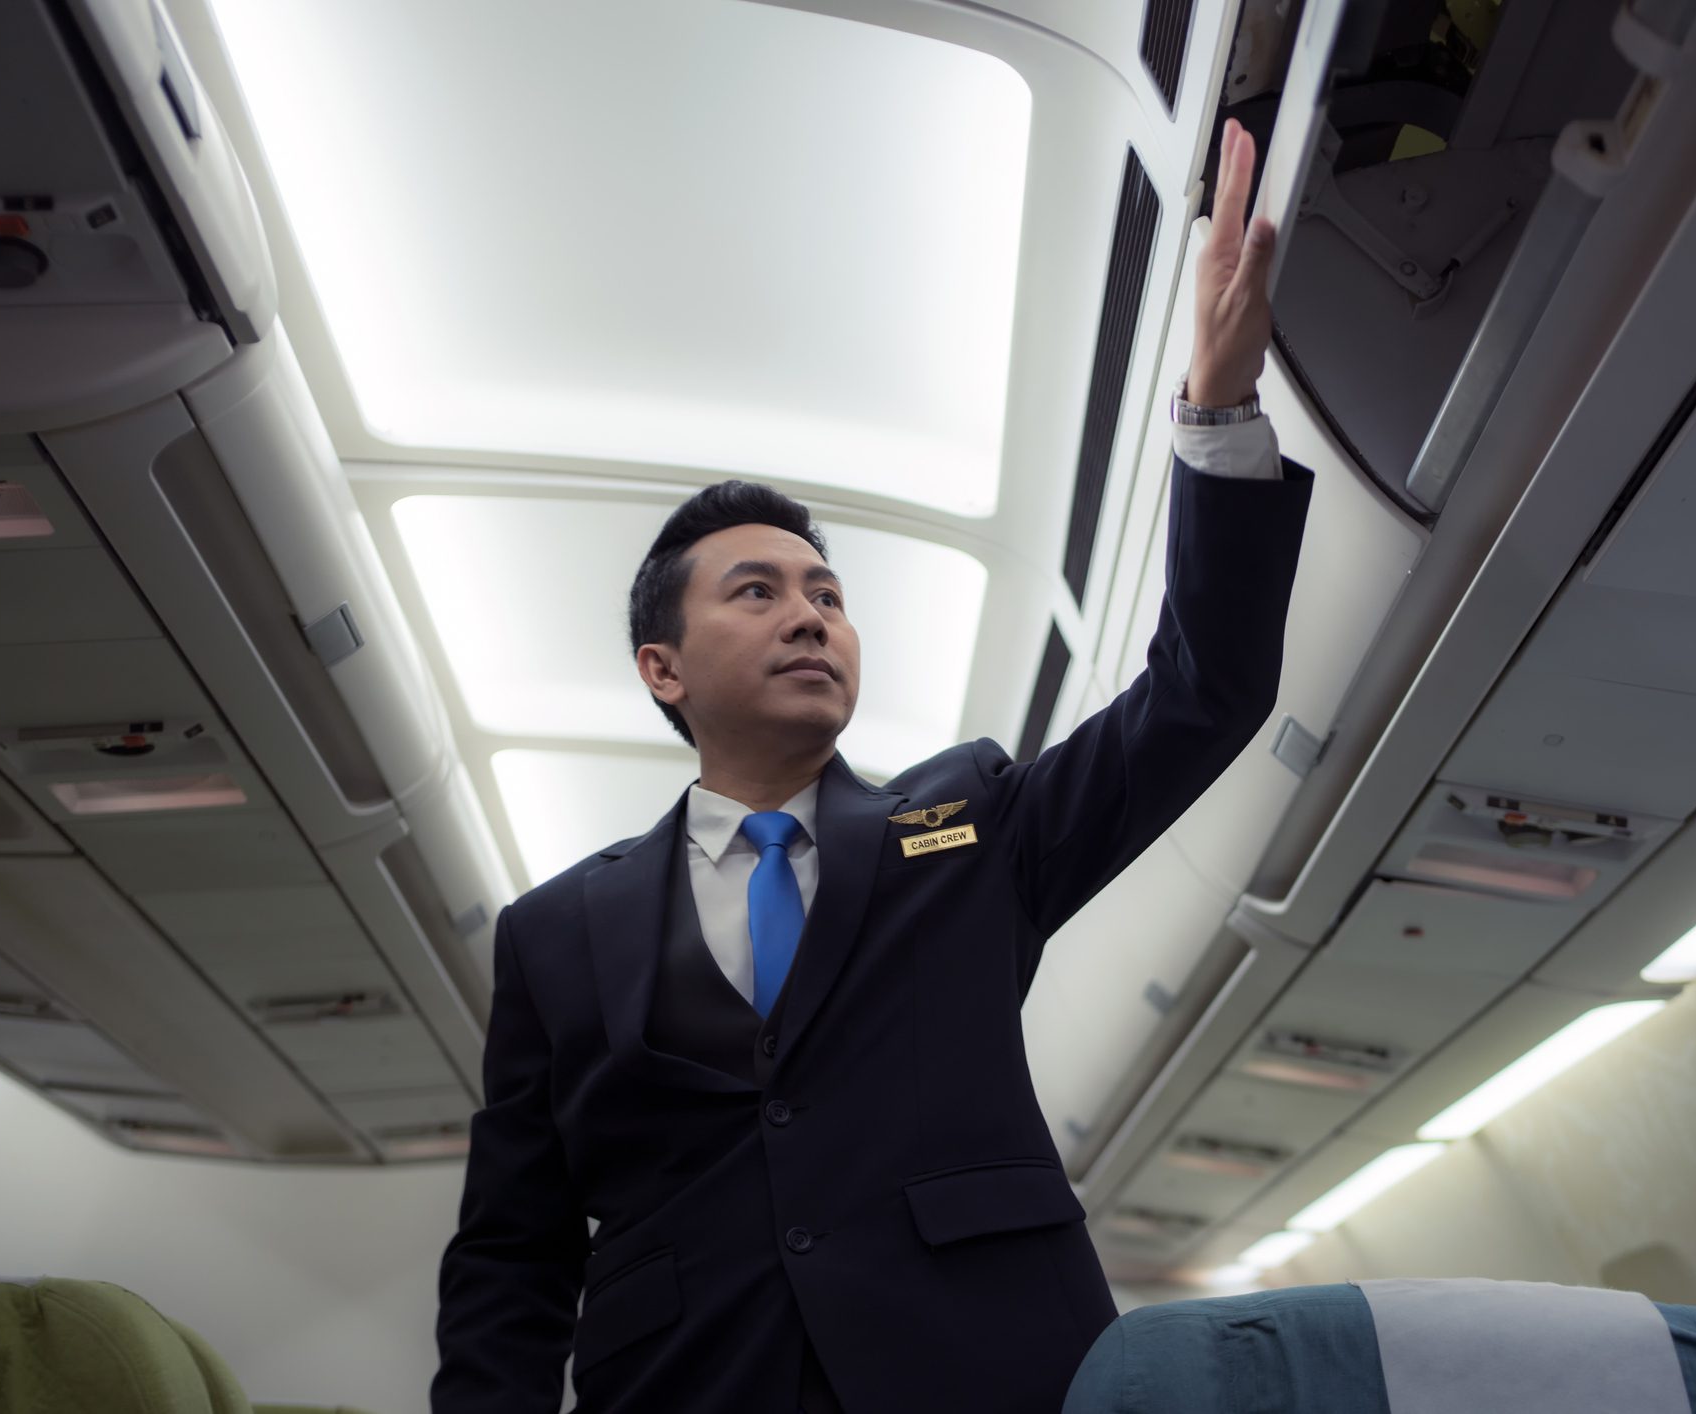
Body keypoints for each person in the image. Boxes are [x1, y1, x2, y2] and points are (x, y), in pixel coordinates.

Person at [432, 119, 1313, 1414]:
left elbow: (1205, 692)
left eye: (828, 592)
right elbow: (514, 1252)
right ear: (661, 666)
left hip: (986, 1373)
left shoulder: (967, 822)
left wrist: (1219, 415)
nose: (810, 615)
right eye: (756, 590)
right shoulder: (556, 932)